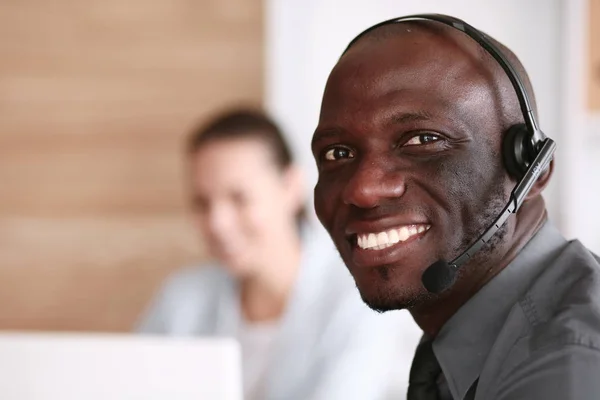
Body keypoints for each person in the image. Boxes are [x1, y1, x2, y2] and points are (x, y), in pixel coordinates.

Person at [311, 13, 600, 400]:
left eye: (422, 140)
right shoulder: (471, 338)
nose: (363, 189)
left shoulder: (566, 365)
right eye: (338, 152)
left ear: (531, 168)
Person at [137, 108, 419, 400]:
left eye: (239, 198)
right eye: (202, 203)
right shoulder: (181, 297)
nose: (217, 223)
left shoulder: (362, 299)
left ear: (290, 187)